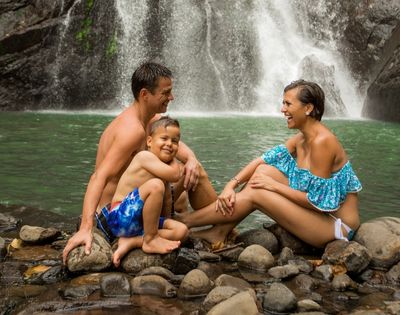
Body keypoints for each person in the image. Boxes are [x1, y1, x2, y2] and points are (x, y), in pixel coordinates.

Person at [62, 62, 217, 264]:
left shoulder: (151, 119)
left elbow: (180, 147)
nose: (172, 97)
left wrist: (192, 160)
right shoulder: (132, 131)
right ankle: (220, 227)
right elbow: (99, 176)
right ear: (145, 95)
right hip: (116, 216)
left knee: (192, 174)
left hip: (136, 204)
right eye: (166, 92)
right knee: (178, 184)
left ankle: (219, 228)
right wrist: (85, 227)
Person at [179, 80, 362, 248]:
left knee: (258, 191)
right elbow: (263, 160)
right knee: (263, 171)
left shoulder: (322, 142)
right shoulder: (302, 138)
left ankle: (185, 221)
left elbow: (317, 203)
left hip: (336, 227)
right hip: (320, 216)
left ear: (308, 108)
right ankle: (219, 232)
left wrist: (273, 186)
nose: (283, 109)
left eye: (288, 104)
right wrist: (230, 185)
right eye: (283, 103)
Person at [98, 116, 188, 267]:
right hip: (119, 217)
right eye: (164, 138)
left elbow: (166, 203)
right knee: (155, 185)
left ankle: (133, 241)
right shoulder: (144, 157)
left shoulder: (160, 169)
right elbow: (175, 174)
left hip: (140, 223)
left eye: (174, 141)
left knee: (182, 231)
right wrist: (174, 161)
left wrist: (167, 223)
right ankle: (150, 239)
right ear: (149, 142)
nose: (169, 144)